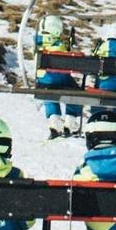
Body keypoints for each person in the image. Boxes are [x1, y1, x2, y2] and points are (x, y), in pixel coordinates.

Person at [35, 10, 82, 139]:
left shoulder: (38, 41)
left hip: (43, 78)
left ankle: (54, 120)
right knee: (75, 91)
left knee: (48, 93)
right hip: (59, 77)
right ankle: (70, 120)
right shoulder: (58, 44)